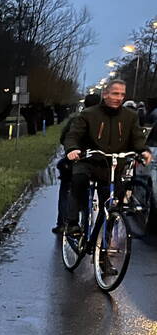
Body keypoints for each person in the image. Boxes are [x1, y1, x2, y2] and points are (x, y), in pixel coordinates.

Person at [61, 79, 152, 237]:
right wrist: (73, 149)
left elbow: (137, 137)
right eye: (115, 93)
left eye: (122, 94)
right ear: (105, 94)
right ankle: (72, 222)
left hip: (113, 165)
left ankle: (105, 238)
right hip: (88, 160)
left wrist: (143, 150)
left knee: (113, 200)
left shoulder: (130, 116)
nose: (119, 98)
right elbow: (73, 135)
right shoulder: (88, 114)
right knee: (78, 181)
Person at [52, 93, 100, 233]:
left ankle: (63, 223)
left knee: (67, 190)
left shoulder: (76, 119)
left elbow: (64, 138)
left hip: (75, 161)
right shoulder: (103, 121)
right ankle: (88, 225)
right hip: (95, 162)